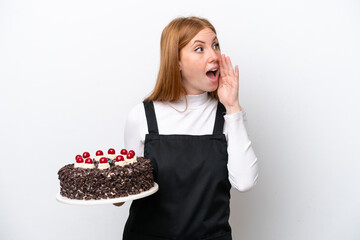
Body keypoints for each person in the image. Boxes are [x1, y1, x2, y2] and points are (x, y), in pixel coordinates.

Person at [117, 16, 259, 240]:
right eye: (199, 49)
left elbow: (244, 182)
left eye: (215, 45)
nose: (214, 56)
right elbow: (125, 188)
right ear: (176, 62)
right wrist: (111, 189)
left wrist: (233, 106)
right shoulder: (142, 116)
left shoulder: (229, 115)